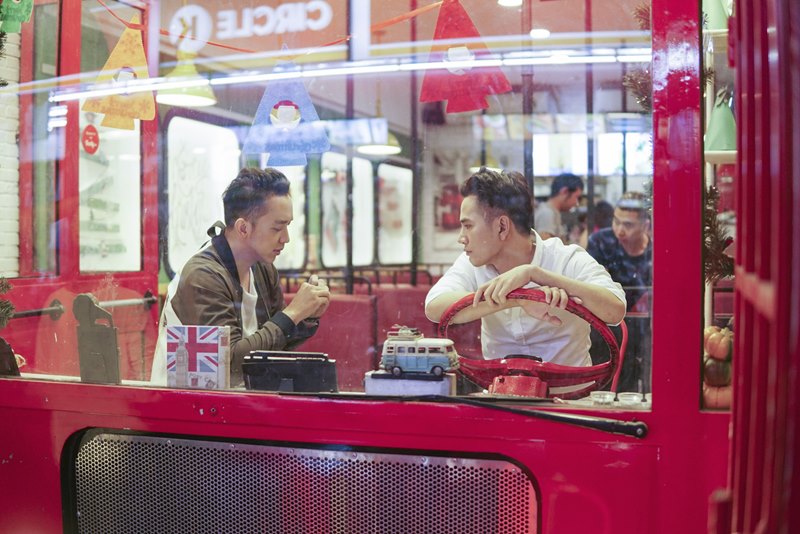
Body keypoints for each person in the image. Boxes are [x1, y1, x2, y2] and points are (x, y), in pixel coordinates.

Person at [425, 168, 625, 372]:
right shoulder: (474, 262)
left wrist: (536, 275)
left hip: (569, 390)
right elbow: (434, 307)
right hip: (498, 390)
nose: (461, 238)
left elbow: (615, 309)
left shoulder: (566, 258)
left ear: (502, 227)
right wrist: (519, 298)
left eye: (468, 226)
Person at [151, 167, 330, 386]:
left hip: (237, 396)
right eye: (277, 228)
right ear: (243, 228)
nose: (286, 238)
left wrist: (306, 316)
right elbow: (228, 366)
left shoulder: (262, 268)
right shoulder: (203, 276)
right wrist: (293, 313)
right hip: (185, 401)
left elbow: (275, 343)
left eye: (288, 226)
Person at [586, 191, 652, 393]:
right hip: (605, 327)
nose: (620, 230)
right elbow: (593, 286)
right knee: (603, 388)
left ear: (645, 225)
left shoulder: (655, 252)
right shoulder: (600, 241)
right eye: (616, 221)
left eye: (628, 225)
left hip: (643, 327)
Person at [534, 172, 584, 241]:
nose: (576, 203)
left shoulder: (552, 212)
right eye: (577, 197)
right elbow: (545, 246)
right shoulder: (547, 213)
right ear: (565, 191)